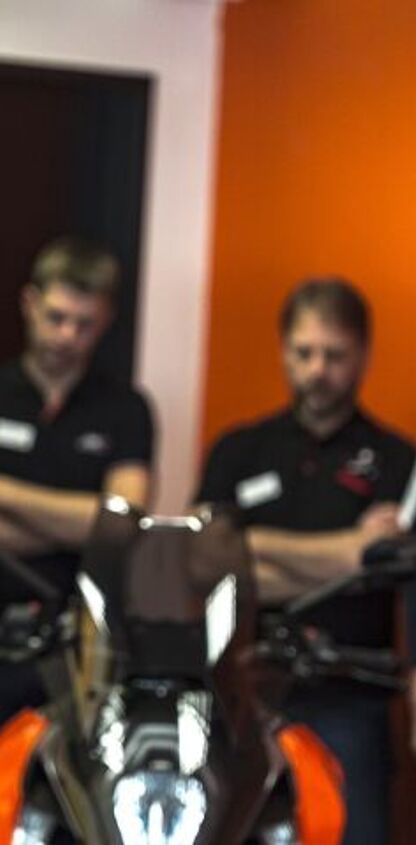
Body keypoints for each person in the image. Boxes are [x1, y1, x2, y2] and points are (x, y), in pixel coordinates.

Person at [0, 235, 155, 842]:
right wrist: (77, 523)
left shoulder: (126, 408)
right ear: (29, 303)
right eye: (56, 317)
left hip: (83, 647)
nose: (66, 336)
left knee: (79, 816)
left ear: (105, 322)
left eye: (84, 324)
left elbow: (122, 525)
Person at [193, 277, 414, 845]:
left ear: (362, 355)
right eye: (305, 353)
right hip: (242, 688)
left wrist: (250, 545)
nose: (318, 370)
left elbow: (384, 572)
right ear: (284, 351)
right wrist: (346, 551)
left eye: (334, 355)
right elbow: (204, 561)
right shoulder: (239, 449)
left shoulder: (398, 461)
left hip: (349, 689)